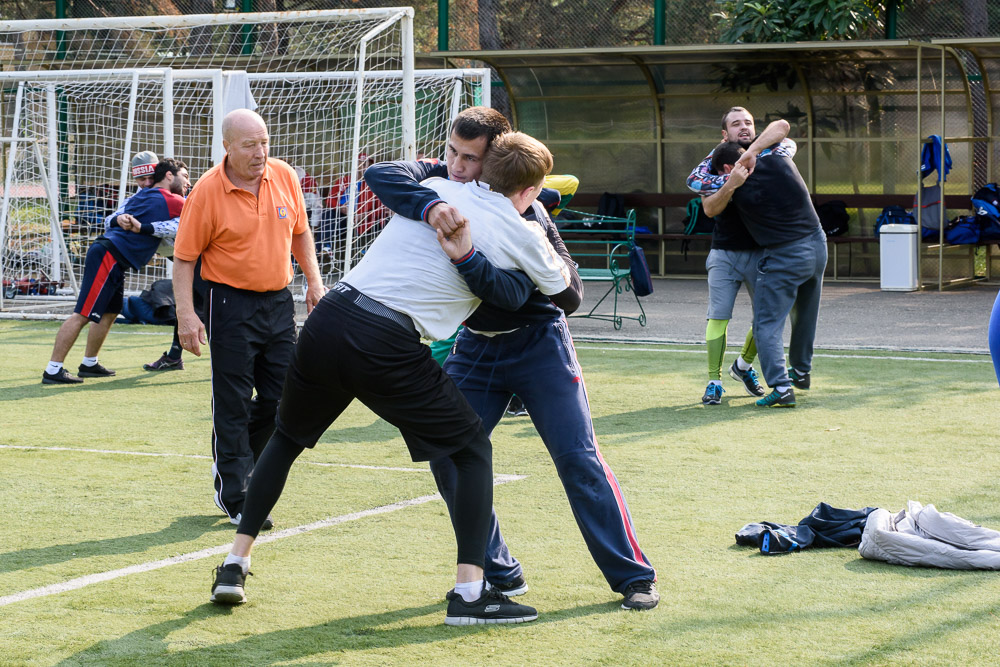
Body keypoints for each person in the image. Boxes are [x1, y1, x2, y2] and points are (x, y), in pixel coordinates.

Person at [208, 131, 571, 626]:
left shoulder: (440, 190)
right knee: (472, 451)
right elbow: (565, 291)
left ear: (482, 169)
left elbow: (387, 176)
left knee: (286, 439)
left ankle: (235, 563)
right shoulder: (521, 228)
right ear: (531, 192)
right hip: (386, 339)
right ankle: (470, 594)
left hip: (329, 317)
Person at [365, 107, 659, 611]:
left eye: (469, 158)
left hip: (540, 345)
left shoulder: (531, 214)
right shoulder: (443, 182)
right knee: (446, 451)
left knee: (577, 460)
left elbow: (570, 292)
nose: (455, 167)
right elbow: (381, 175)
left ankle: (633, 575)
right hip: (476, 347)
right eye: (452, 153)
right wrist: (432, 208)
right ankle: (500, 573)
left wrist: (501, 276)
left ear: (497, 159)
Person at [173, 109, 325, 530]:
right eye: (249, 145)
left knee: (284, 399)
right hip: (229, 305)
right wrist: (186, 316)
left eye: (264, 142)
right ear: (227, 147)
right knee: (234, 401)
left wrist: (314, 281)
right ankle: (235, 491)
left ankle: (240, 461)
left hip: (279, 301)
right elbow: (184, 259)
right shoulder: (206, 191)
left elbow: (300, 231)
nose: (260, 153)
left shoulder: (284, 176)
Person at [702, 123, 827, 407]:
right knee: (805, 313)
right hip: (818, 244)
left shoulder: (734, 185)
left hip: (785, 255)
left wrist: (734, 179)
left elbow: (708, 205)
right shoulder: (780, 156)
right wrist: (756, 150)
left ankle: (782, 387)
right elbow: (783, 127)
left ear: (724, 169)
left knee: (765, 324)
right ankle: (802, 371)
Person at [41, 159, 188, 384]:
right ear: (169, 175)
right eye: (185, 177)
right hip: (109, 255)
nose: (188, 182)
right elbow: (194, 217)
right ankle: (53, 369)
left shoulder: (138, 197)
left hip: (113, 257)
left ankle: (89, 363)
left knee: (111, 311)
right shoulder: (173, 200)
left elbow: (114, 219)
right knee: (83, 313)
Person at [686, 107, 772, 405]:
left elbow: (785, 132)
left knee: (767, 316)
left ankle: (744, 366)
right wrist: (732, 182)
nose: (744, 127)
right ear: (725, 134)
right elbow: (708, 209)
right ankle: (714, 381)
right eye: (736, 124)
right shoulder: (714, 165)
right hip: (724, 252)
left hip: (762, 253)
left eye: (749, 122)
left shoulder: (772, 155)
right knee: (718, 317)